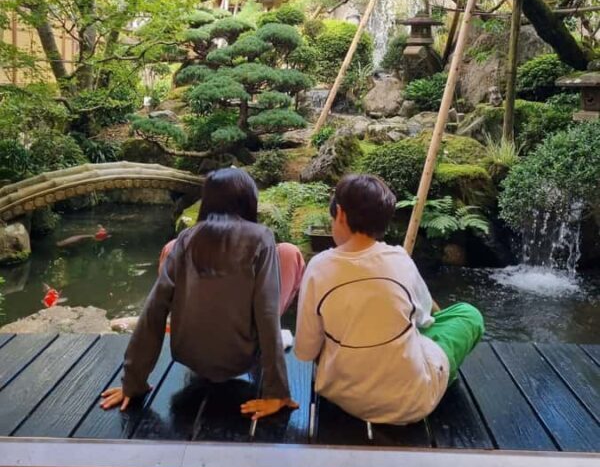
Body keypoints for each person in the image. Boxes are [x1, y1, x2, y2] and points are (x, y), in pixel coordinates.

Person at [100, 168, 305, 420]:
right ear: (249, 201)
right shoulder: (261, 238)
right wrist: (276, 391)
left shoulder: (186, 238)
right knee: (285, 260)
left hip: (189, 356)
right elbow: (267, 313)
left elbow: (155, 308)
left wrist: (133, 381)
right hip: (240, 358)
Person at [294, 174, 484, 425]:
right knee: (468, 314)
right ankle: (444, 374)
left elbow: (306, 351)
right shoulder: (399, 259)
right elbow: (427, 319)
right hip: (411, 403)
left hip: (341, 397)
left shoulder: (318, 267)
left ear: (339, 213)